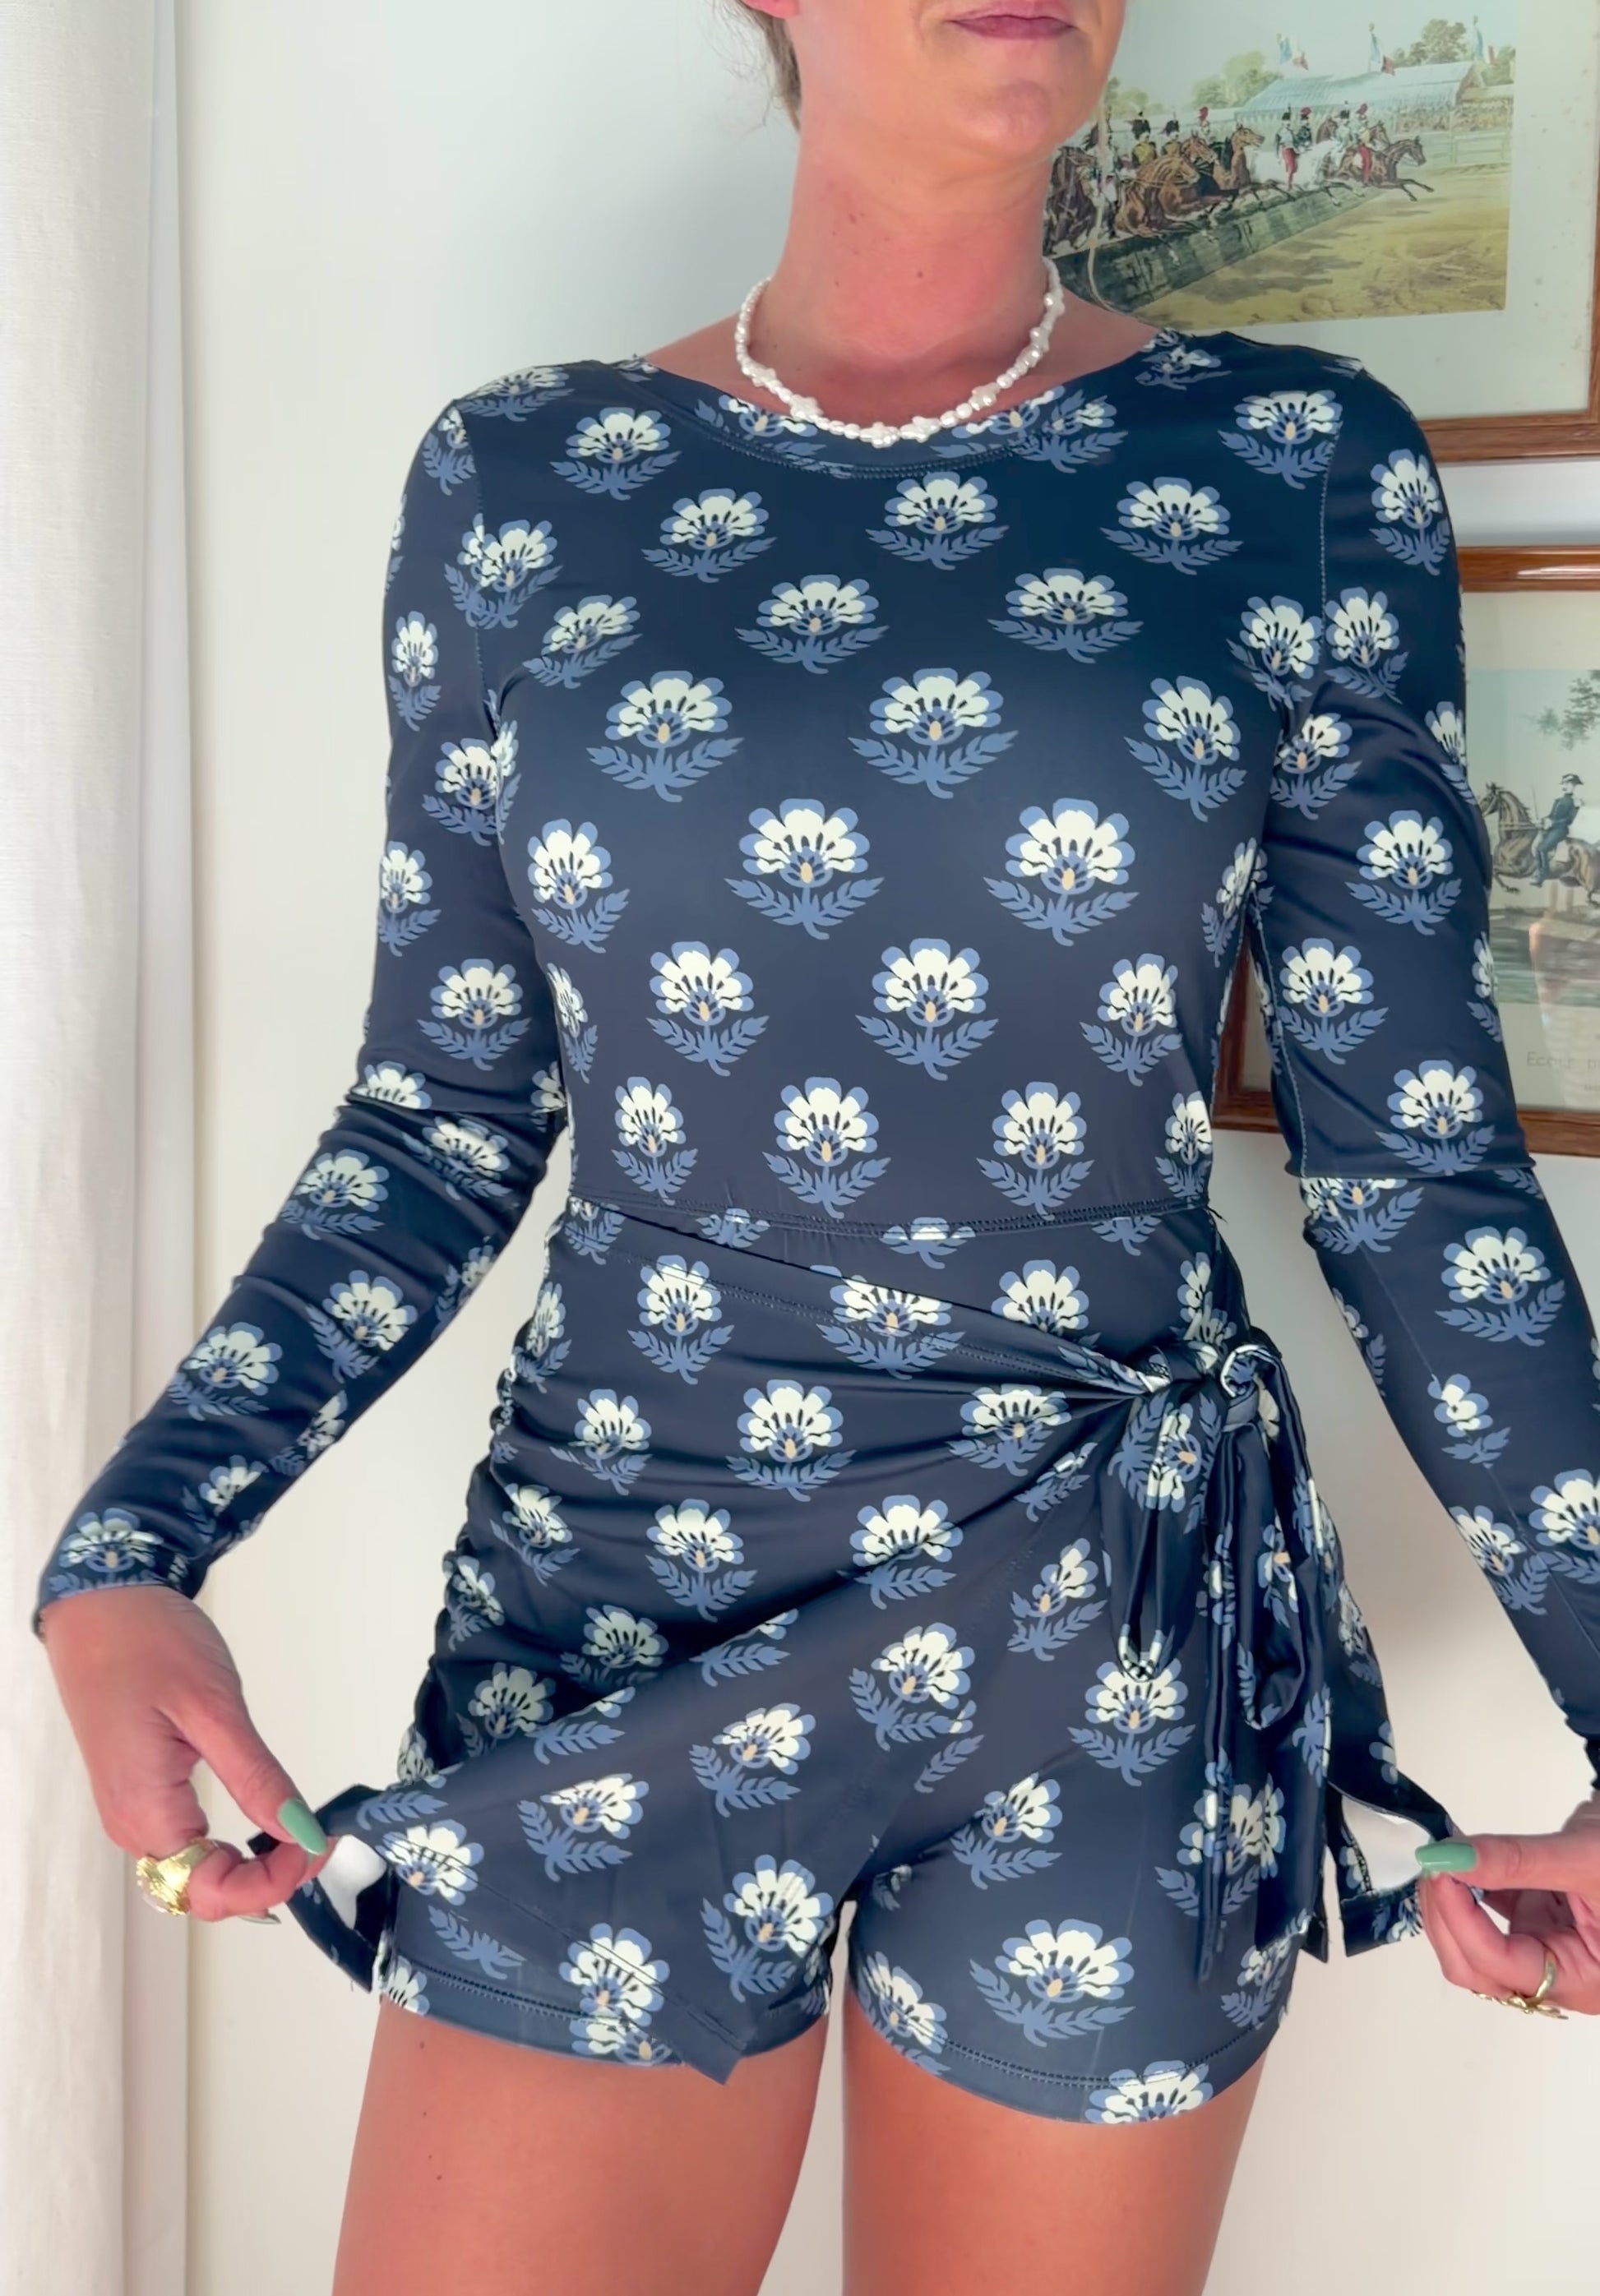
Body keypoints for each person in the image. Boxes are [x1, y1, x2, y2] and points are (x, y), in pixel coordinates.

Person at [34, 3, 1600, 2292]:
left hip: (1109, 1629)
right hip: (620, 1596)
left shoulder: (1294, 464)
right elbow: (442, 1109)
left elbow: (1414, 1166)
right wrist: (129, 1546)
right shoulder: (520, 483)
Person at [1533, 774, 1584, 885]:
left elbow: (1569, 820)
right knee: (1536, 846)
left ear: (1574, 786)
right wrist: (1542, 820)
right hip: (1552, 828)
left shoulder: (1575, 802)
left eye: (1571, 784)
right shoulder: (1558, 800)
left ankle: (1544, 874)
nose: (1567, 786)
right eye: (1566, 784)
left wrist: (1553, 823)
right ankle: (1538, 870)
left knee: (1542, 848)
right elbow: (1551, 815)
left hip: (1561, 830)